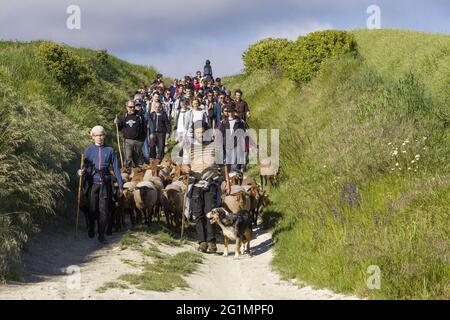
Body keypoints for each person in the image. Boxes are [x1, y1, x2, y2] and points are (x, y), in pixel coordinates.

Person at [183, 120, 231, 253]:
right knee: (198, 214)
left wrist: (227, 181)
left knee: (210, 213)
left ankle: (212, 242)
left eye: (202, 132)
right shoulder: (190, 148)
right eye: (197, 132)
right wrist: (186, 168)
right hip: (196, 183)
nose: (200, 134)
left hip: (211, 183)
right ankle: (202, 242)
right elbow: (184, 164)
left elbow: (223, 165)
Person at [78, 126, 124, 244]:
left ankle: (101, 234)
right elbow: (84, 167)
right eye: (97, 135)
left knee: (103, 210)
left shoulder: (110, 150)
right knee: (92, 208)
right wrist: (80, 172)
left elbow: (116, 169)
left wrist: (120, 186)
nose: (99, 138)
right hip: (92, 183)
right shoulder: (88, 150)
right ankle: (92, 227)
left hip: (105, 183)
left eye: (101, 135)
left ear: (104, 136)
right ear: (92, 137)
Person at [114, 100, 147, 168]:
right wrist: (117, 123)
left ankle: (137, 173)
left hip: (138, 141)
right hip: (127, 141)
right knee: (128, 157)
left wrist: (143, 139)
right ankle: (127, 172)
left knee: (137, 160)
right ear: (127, 107)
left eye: (133, 107)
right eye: (130, 107)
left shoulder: (140, 116)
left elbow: (145, 128)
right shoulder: (124, 117)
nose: (132, 108)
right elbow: (119, 128)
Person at [221, 104, 247, 173]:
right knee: (228, 162)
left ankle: (235, 176)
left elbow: (244, 132)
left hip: (237, 143)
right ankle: (230, 177)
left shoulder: (239, 121)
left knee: (234, 163)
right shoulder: (224, 122)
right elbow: (222, 133)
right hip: (227, 143)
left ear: (234, 112)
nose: (231, 113)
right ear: (227, 113)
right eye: (229, 112)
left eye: (232, 111)